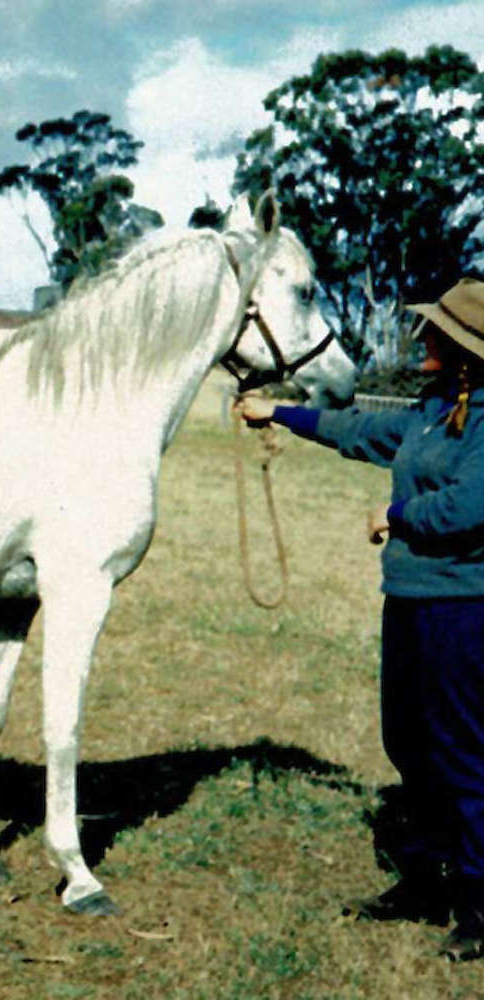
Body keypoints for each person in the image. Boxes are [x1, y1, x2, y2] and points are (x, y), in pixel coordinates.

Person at [236, 277, 484, 962]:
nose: (422, 339)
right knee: (408, 740)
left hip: (463, 609)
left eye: (436, 333)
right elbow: (361, 430)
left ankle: (477, 903)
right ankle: (425, 881)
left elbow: (469, 508)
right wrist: (279, 415)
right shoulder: (434, 408)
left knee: (462, 752)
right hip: (409, 601)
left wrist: (395, 515)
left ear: (464, 351)